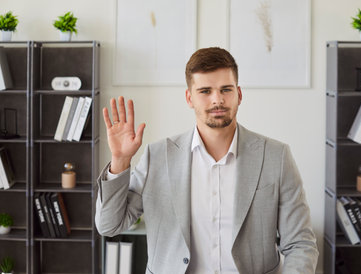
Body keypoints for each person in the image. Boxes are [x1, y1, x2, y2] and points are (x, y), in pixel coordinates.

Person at [95, 47, 318, 274]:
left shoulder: (276, 156)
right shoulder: (157, 156)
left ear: (239, 94)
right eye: (205, 91)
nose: (217, 100)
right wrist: (120, 161)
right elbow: (109, 225)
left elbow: (301, 244)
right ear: (189, 97)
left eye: (226, 89)